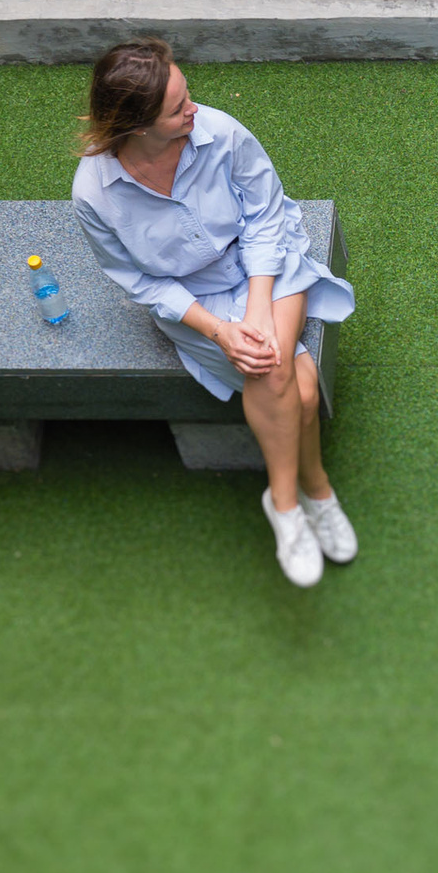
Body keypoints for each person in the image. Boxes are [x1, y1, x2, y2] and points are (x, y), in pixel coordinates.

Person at [70, 38, 359, 588]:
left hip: (269, 270)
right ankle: (310, 491)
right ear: (135, 124)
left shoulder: (222, 133)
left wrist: (254, 308)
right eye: (178, 108)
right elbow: (137, 280)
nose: (194, 110)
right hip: (193, 301)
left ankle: (290, 503)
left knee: (269, 361)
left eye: (188, 95)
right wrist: (217, 330)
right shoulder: (94, 194)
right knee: (292, 382)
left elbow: (267, 219)